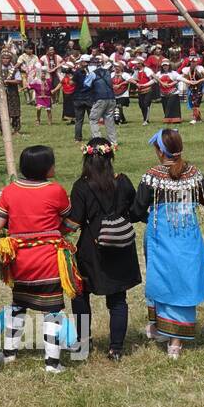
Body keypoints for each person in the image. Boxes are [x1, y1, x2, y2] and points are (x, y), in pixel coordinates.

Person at [0, 146, 78, 372]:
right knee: (53, 311)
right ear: (46, 168)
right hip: (48, 261)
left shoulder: (10, 191)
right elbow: (72, 220)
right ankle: (52, 363)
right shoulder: (55, 191)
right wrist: (58, 232)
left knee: (18, 305)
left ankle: (8, 354)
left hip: (20, 262)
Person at [130, 129, 204, 359]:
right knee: (184, 282)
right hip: (187, 236)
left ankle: (172, 338)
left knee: (162, 280)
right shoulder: (194, 174)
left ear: (160, 151)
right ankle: (164, 332)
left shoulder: (152, 176)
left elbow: (137, 209)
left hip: (161, 235)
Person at [66, 138, 140, 361]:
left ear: (87, 158)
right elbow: (135, 212)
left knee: (80, 295)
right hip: (121, 246)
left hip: (91, 248)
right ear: (111, 157)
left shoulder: (81, 186)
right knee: (118, 300)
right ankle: (116, 349)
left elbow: (74, 223)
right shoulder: (123, 182)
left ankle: (83, 343)